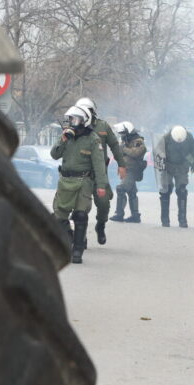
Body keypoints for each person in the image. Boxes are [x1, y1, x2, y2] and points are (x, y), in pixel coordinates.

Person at [51, 105, 108, 264]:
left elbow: (99, 165)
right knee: (59, 216)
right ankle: (69, 236)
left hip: (83, 181)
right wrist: (62, 140)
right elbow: (54, 154)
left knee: (80, 215)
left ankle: (78, 250)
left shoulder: (93, 139)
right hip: (65, 181)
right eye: (71, 119)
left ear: (84, 121)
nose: (72, 122)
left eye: (75, 119)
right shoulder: (66, 136)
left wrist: (101, 185)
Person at [75, 97, 127, 245]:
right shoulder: (75, 127)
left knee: (104, 203)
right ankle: (81, 236)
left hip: (99, 173)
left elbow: (115, 145)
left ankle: (100, 225)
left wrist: (121, 164)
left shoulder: (103, 126)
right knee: (80, 207)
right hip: (81, 174)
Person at [156, 125, 194, 228]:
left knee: (182, 191)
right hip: (168, 167)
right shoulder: (166, 138)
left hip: (182, 166)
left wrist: (191, 164)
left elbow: (193, 152)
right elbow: (158, 152)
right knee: (165, 191)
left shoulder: (189, 137)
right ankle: (165, 220)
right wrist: (161, 163)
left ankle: (182, 220)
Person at [110, 121, 147, 223]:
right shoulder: (126, 141)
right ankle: (135, 216)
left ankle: (119, 214)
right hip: (127, 169)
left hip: (132, 170)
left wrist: (124, 149)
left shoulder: (138, 141)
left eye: (123, 133)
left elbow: (137, 153)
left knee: (121, 189)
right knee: (132, 192)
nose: (121, 135)